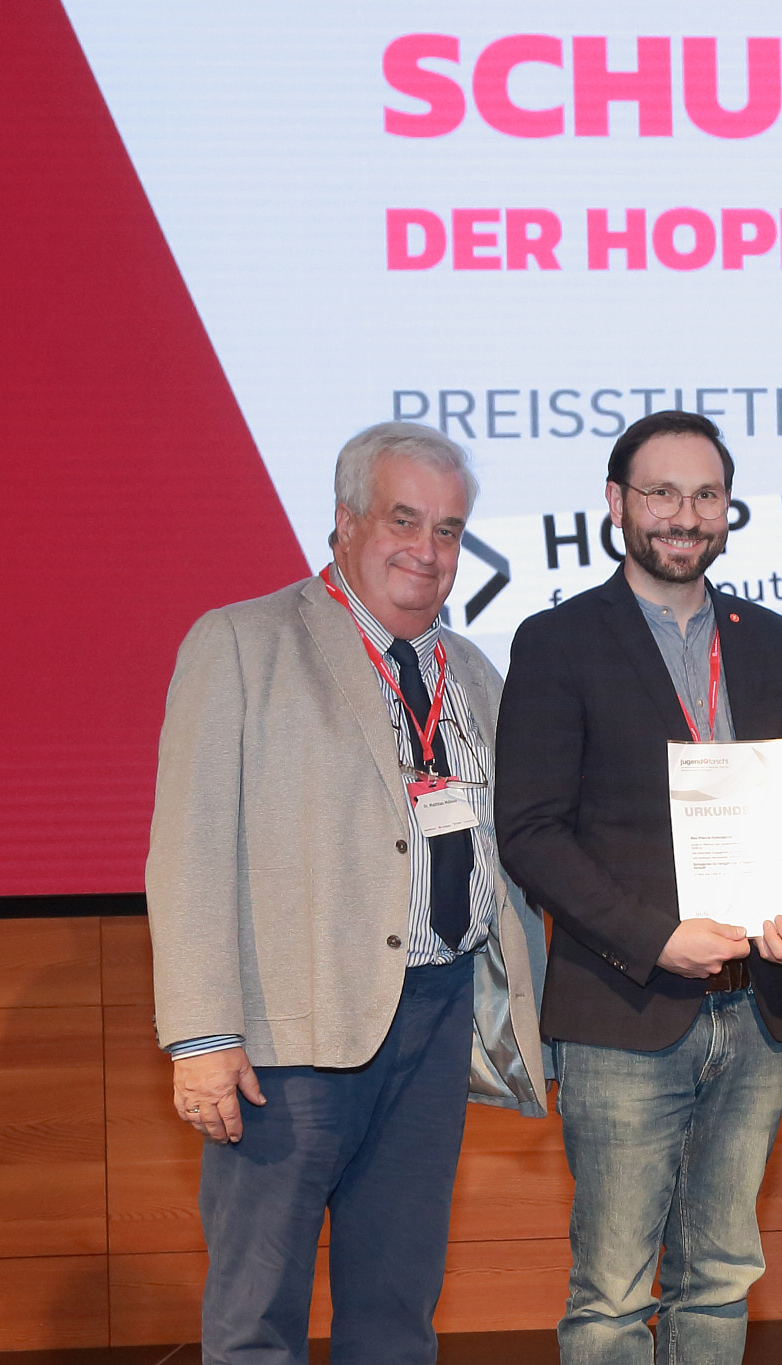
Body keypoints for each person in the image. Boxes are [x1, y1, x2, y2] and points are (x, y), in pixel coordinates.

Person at [145, 421, 549, 1365]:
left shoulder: (474, 671)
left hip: (439, 1019)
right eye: (404, 520)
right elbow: (189, 849)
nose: (427, 549)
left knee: (397, 1314)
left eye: (448, 529)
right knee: (257, 1319)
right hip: (288, 1037)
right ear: (345, 522)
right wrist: (202, 1038)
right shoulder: (242, 643)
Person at [495, 409, 782, 1365]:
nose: (684, 515)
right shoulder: (558, 639)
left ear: (727, 509)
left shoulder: (770, 639)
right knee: (612, 1294)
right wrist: (655, 937)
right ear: (616, 503)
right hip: (622, 1011)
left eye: (705, 495)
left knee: (720, 1275)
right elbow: (529, 830)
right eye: (661, 493)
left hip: (756, 1006)